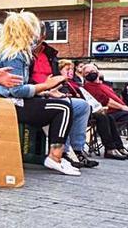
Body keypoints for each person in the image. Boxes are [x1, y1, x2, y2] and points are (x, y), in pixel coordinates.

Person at [0, 13, 80, 176]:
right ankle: (55, 157)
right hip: (9, 104)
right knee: (63, 108)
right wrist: (45, 85)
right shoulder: (16, 55)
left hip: (8, 101)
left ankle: (57, 155)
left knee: (60, 106)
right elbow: (16, 90)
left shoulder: (11, 52)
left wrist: (45, 91)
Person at [22, 13, 94, 169]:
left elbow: (58, 77)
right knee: (64, 107)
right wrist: (46, 90)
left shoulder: (50, 55)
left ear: (43, 36)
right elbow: (22, 82)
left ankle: (77, 149)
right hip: (35, 95)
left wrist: (64, 91)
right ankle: (64, 152)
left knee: (82, 106)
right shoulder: (22, 53)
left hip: (53, 92)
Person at [60, 59, 128, 160]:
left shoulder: (74, 83)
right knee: (102, 117)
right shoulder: (63, 82)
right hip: (76, 109)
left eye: (71, 69)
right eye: (67, 69)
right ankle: (109, 148)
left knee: (108, 117)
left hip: (87, 108)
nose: (70, 71)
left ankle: (118, 146)